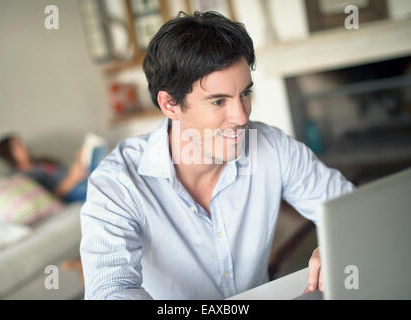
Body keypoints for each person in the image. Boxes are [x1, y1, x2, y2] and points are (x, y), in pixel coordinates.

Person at [80, 11, 355, 300]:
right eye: (219, 101)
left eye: (244, 94)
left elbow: (350, 210)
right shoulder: (117, 182)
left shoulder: (273, 148)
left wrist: (336, 245)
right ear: (170, 104)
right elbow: (110, 290)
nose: (240, 116)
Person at [0, 134, 88, 203]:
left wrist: (79, 161)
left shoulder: (41, 161)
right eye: (17, 145)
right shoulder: (20, 177)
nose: (23, 146)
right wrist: (72, 179)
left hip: (79, 182)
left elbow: (68, 173)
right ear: (9, 154)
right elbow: (47, 197)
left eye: (21, 143)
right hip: (69, 194)